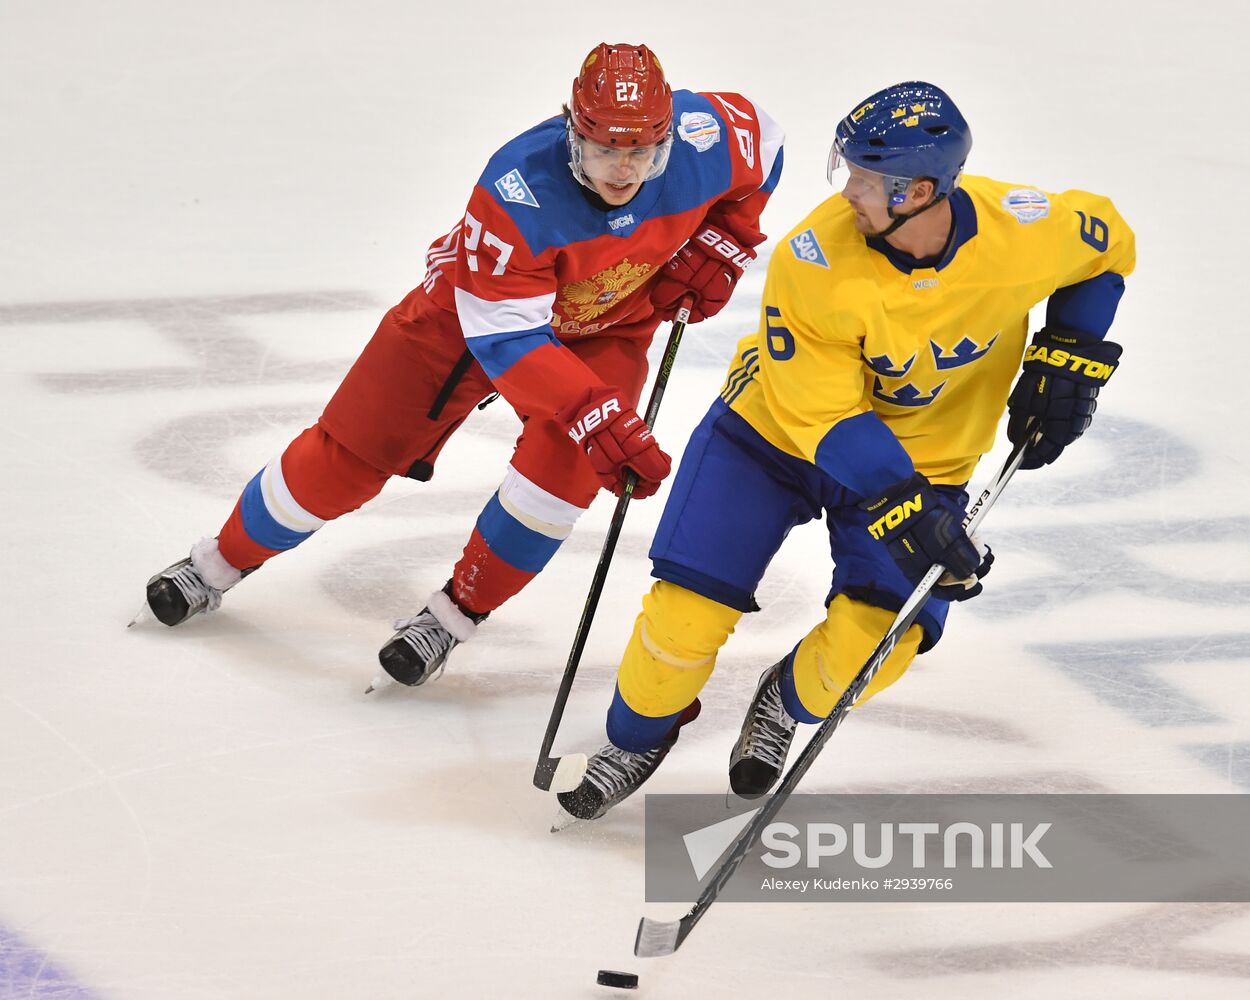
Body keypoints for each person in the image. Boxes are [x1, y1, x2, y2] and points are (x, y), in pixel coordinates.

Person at [557, 81, 1135, 820]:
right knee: (682, 623)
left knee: (878, 646)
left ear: (919, 190)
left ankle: (782, 699)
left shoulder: (1023, 228)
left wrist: (1071, 349)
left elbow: (1108, 245)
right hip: (767, 440)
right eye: (848, 168)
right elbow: (819, 411)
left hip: (925, 460)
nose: (846, 191)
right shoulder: (815, 258)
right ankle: (636, 737)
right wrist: (906, 505)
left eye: (865, 178)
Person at [141, 43, 784, 688]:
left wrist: (728, 234)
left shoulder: (706, 140)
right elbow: (508, 341)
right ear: (571, 134)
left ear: (667, 139)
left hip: (608, 325)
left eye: (640, 153)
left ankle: (451, 618)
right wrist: (592, 413)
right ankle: (220, 562)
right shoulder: (517, 190)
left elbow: (770, 145)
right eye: (601, 151)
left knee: (559, 483)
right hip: (468, 318)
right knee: (351, 460)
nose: (622, 171)